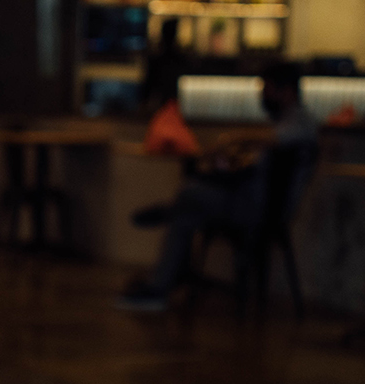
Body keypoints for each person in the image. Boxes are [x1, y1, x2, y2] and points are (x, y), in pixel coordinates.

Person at [118, 61, 318, 311]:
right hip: (253, 202)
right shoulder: (287, 121)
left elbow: (274, 142)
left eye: (266, 89)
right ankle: (161, 284)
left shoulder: (301, 121)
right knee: (186, 215)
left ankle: (165, 241)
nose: (262, 95)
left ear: (286, 91)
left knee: (189, 193)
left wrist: (234, 139)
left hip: (262, 210)